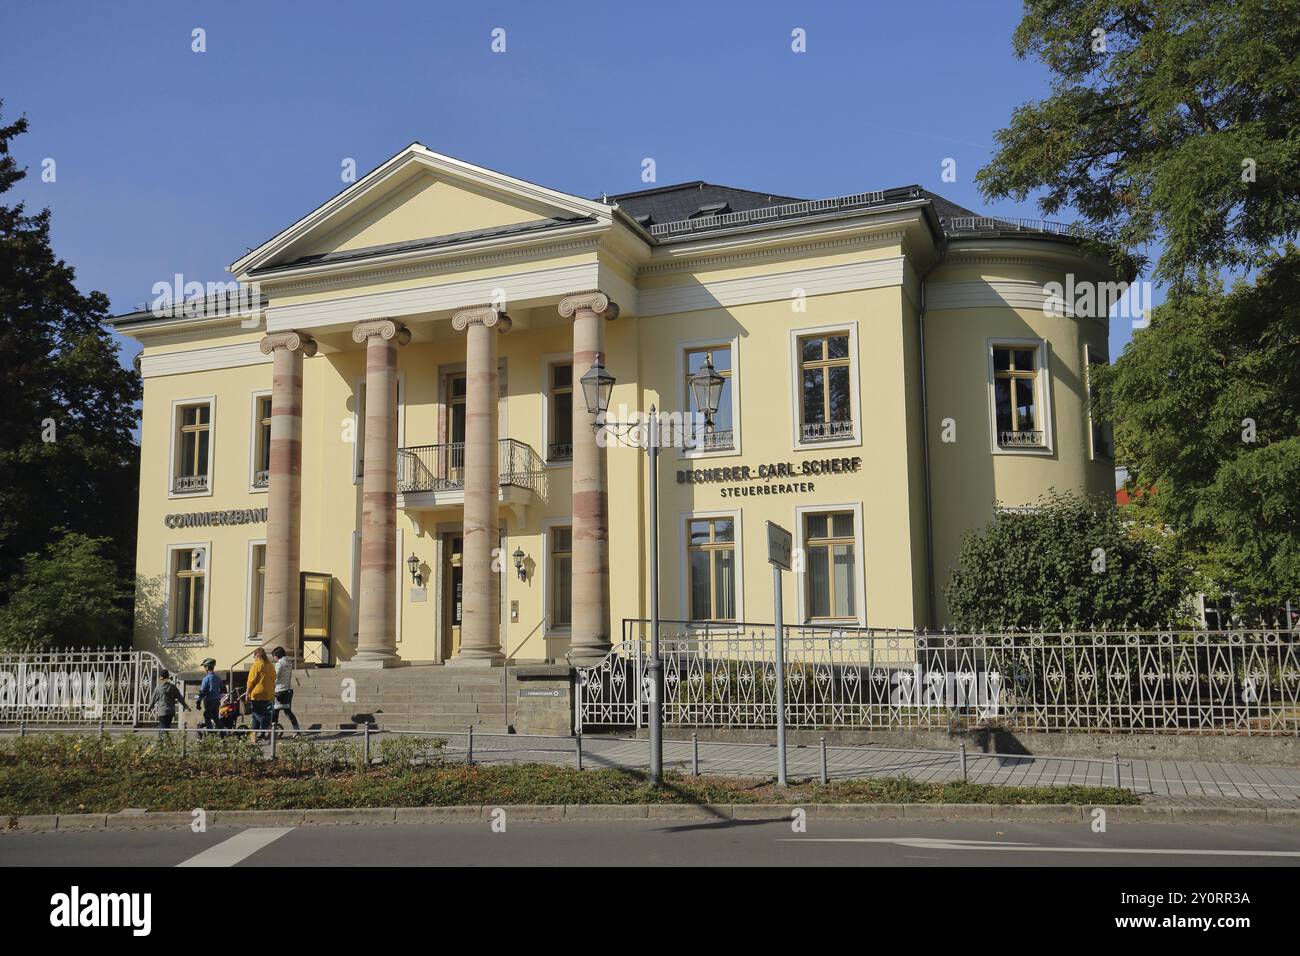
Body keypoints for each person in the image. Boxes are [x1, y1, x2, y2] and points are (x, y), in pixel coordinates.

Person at [245, 647, 276, 741]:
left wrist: (247, 692)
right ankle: (253, 737)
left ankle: (268, 727)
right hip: (269, 693)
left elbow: (251, 680)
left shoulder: (256, 665)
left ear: (257, 655)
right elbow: (274, 677)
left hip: (257, 694)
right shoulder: (270, 665)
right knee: (255, 716)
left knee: (257, 714)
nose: (254, 658)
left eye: (254, 656)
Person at [270, 647, 301, 735]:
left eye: (274, 656)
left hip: (279, 690)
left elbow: (276, 677)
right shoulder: (289, 662)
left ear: (277, 655)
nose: (274, 658)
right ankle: (296, 730)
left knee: (274, 712)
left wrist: (271, 686)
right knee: (288, 712)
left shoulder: (279, 663)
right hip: (288, 690)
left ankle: (273, 731)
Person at [151, 669, 187, 733]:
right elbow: (180, 698)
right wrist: (186, 706)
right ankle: (162, 742)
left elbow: (153, 699)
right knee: (165, 728)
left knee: (163, 729)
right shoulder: (173, 687)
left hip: (162, 711)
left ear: (161, 677)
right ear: (167, 677)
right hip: (171, 712)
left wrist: (149, 708)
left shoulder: (159, 687)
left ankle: (166, 742)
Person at [195, 658, 225, 735]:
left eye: (204, 666)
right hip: (216, 701)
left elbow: (203, 692)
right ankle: (223, 733)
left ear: (207, 667)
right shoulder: (218, 678)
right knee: (215, 717)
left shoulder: (206, 679)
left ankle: (211, 733)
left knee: (207, 716)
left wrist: (198, 702)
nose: (204, 668)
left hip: (209, 701)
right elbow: (223, 689)